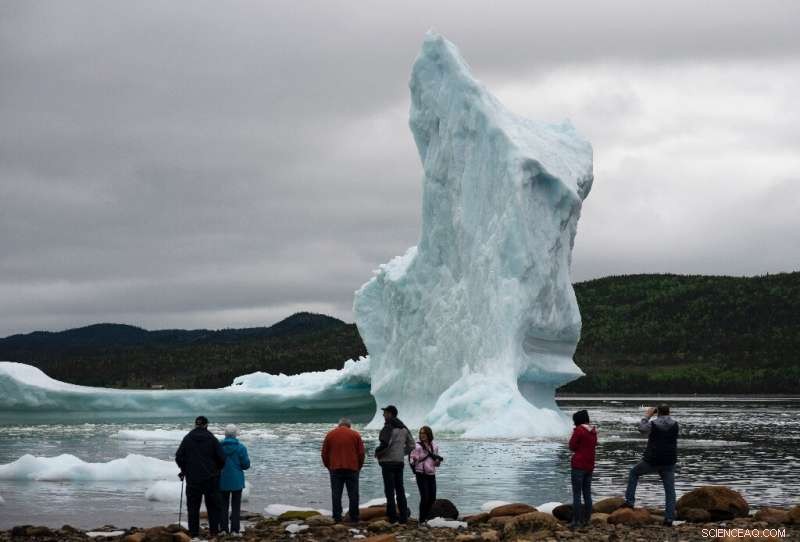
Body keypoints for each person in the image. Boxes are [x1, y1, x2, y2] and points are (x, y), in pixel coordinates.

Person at [622, 404, 679, 526]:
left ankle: (630, 502)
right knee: (670, 490)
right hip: (669, 461)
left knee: (634, 473)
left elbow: (642, 429)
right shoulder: (675, 424)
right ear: (669, 412)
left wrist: (647, 416)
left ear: (657, 412)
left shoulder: (653, 424)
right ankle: (669, 519)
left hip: (652, 460)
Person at [175, 416, 226, 538]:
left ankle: (194, 534)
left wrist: (184, 469)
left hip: (193, 479)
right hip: (211, 479)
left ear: (195, 425)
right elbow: (222, 458)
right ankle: (214, 532)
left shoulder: (187, 438)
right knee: (213, 507)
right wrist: (217, 470)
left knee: (193, 507)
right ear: (206, 425)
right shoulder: (212, 439)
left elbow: (179, 457)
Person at [375, 405, 415, 524]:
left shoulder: (388, 427)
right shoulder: (403, 428)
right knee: (400, 489)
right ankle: (403, 517)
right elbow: (412, 445)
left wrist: (378, 453)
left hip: (387, 463)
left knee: (389, 491)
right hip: (399, 462)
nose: (383, 415)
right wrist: (402, 453)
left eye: (385, 413)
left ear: (390, 414)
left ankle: (392, 517)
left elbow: (385, 444)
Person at [321, 417, 366, 523]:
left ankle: (337, 517)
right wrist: (359, 467)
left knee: (336, 494)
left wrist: (328, 466)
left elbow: (324, 454)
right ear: (349, 425)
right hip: (352, 468)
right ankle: (354, 517)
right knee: (353, 494)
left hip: (335, 468)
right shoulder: (355, 435)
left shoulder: (330, 434)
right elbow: (361, 454)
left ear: (339, 424)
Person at [218, 424, 250, 535]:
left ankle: (223, 529)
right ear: (236, 434)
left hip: (222, 479)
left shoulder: (218, 446)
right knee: (236, 506)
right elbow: (246, 465)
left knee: (223, 505)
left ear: (225, 434)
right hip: (237, 481)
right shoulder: (241, 447)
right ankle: (235, 530)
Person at [568, 409, 597, 528]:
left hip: (578, 465)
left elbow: (572, 446)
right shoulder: (593, 431)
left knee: (576, 494)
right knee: (587, 493)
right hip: (589, 466)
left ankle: (576, 521)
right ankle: (587, 519)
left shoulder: (579, 430)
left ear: (577, 421)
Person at [409, 425, 442, 523]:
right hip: (421, 474)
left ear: (429, 434)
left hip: (431, 474)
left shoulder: (434, 446)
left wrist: (437, 462)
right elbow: (412, 460)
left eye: (424, 433)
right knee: (425, 497)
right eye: (420, 433)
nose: (422, 435)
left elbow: (436, 464)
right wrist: (414, 460)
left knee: (432, 497)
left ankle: (428, 518)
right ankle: (422, 519)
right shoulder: (417, 446)